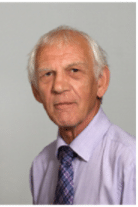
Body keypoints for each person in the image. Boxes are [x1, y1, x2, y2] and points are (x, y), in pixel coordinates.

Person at [28, 26, 136, 204]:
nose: (59, 86)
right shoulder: (40, 165)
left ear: (101, 81)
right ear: (36, 91)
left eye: (74, 71)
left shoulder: (130, 162)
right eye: (47, 74)